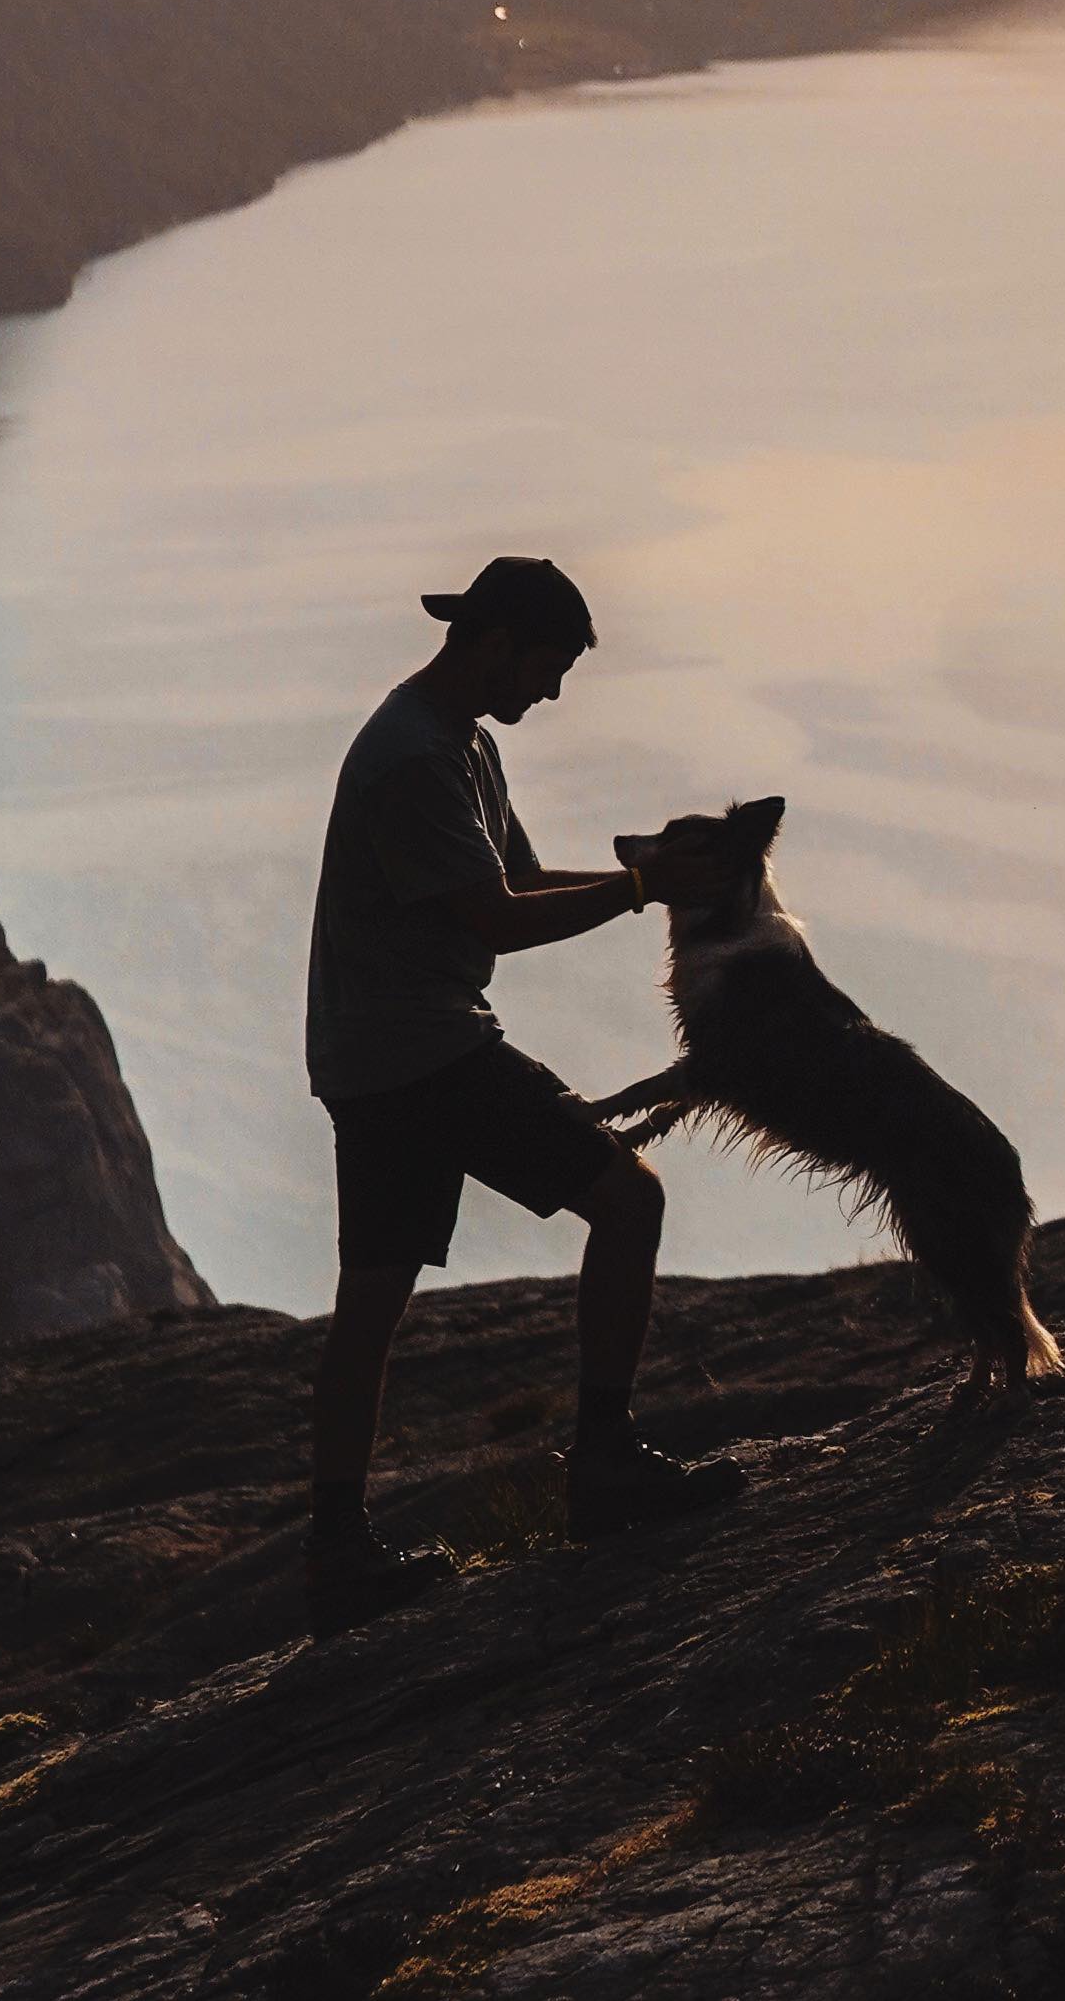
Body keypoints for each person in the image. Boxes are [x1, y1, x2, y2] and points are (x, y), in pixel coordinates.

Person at [302, 550, 738, 1634]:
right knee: (627, 1199)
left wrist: (647, 880)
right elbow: (494, 922)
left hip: (378, 1049)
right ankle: (601, 1462)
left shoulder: (457, 744)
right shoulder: (414, 759)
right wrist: (645, 888)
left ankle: (334, 1545)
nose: (548, 693)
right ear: (495, 643)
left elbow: (516, 880)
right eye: (546, 668)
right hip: (422, 1050)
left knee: (372, 1299)